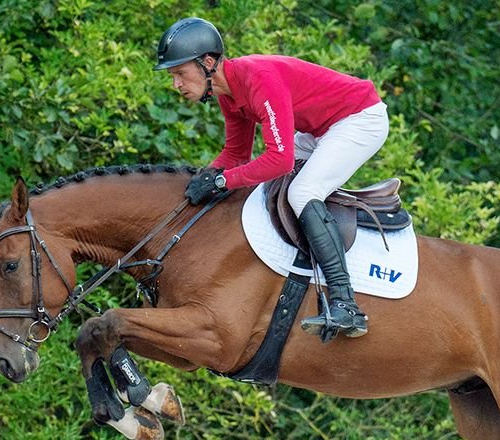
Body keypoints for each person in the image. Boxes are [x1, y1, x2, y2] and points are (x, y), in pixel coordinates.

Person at [155, 17, 389, 340]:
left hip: (360, 118)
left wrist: (222, 182)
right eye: (173, 77)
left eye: (180, 73)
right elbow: (236, 156)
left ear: (207, 63)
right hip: (319, 129)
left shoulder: (258, 79)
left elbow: (279, 160)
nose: (176, 85)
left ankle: (345, 304)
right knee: (272, 189)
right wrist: (204, 177)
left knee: (302, 191)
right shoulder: (229, 95)